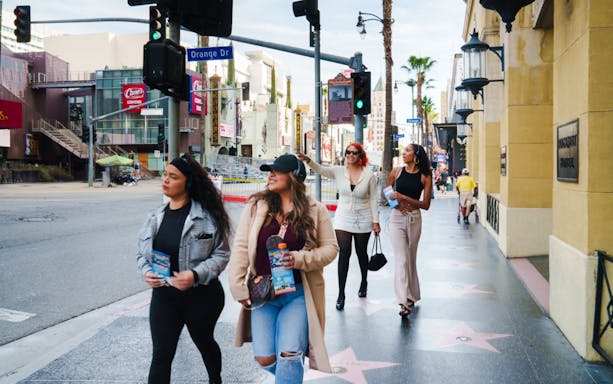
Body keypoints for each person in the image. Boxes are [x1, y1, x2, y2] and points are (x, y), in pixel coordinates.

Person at [228, 154, 339, 383]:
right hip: (263, 293)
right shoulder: (257, 206)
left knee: (289, 356)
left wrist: (299, 259)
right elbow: (240, 246)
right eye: (270, 170)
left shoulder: (315, 210)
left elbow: (331, 248)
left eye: (277, 171)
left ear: (294, 176)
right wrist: (237, 286)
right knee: (264, 358)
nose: (271, 175)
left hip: (297, 295)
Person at [136, 154, 232, 384]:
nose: (165, 180)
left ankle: (215, 380)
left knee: (204, 341)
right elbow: (141, 255)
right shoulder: (154, 217)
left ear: (187, 183)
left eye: (173, 176)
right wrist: (146, 272)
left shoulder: (207, 218)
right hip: (164, 297)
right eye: (165, 175)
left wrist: (195, 274)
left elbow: (221, 254)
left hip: (202, 296)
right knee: (161, 355)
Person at [297, 143, 380, 311]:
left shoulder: (369, 175)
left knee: (361, 252)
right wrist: (308, 161)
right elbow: (321, 170)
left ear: (360, 156)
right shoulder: (339, 171)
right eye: (347, 152)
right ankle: (341, 294)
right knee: (344, 252)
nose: (350, 155)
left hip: (364, 217)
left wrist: (375, 221)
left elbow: (373, 199)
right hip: (343, 217)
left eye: (354, 153)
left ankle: (364, 281)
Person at [386, 144, 432, 318]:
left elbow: (426, 204)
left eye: (407, 151)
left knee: (410, 258)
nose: (403, 153)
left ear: (416, 155)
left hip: (414, 219)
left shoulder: (425, 176)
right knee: (402, 259)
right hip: (396, 218)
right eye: (403, 151)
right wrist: (395, 204)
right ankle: (403, 301)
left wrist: (404, 197)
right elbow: (387, 191)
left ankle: (412, 295)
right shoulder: (396, 171)